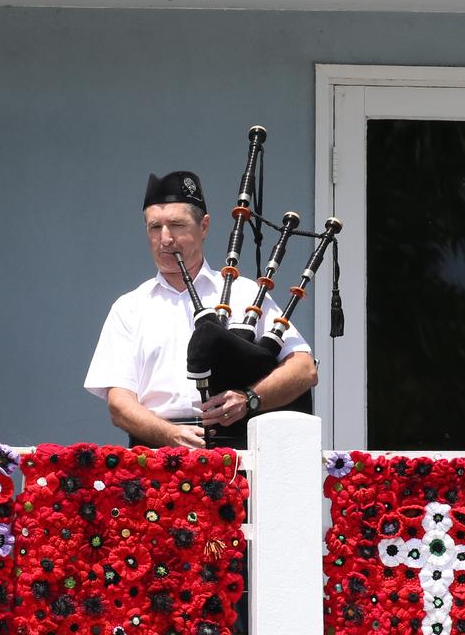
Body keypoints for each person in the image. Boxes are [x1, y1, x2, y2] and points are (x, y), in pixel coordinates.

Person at [85, 170, 317, 448]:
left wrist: (249, 397)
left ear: (204, 226)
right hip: (157, 455)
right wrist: (170, 435)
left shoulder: (245, 293)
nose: (166, 238)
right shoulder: (130, 307)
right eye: (154, 227)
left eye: (176, 225)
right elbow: (119, 404)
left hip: (238, 449)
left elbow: (304, 370)